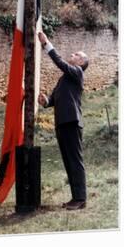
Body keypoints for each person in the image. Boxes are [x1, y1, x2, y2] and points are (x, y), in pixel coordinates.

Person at [37, 31, 89, 210]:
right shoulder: (65, 79)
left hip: (72, 123)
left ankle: (81, 198)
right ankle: (76, 198)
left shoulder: (77, 73)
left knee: (75, 160)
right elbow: (55, 98)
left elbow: (60, 62)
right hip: (61, 123)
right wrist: (46, 101)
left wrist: (47, 44)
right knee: (68, 161)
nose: (72, 55)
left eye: (76, 55)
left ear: (81, 63)